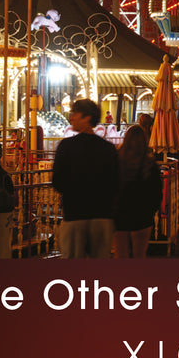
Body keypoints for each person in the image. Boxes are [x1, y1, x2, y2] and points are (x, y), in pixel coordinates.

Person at [52, 98, 119, 258]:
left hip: (75, 214)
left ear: (87, 117)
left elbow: (58, 182)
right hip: (102, 217)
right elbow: (116, 183)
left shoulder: (66, 146)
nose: (71, 118)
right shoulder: (108, 149)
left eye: (75, 114)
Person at [113, 125, 163, 258]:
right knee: (139, 255)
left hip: (119, 215)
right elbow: (157, 193)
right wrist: (151, 211)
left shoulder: (117, 162)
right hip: (142, 216)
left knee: (121, 255)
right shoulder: (150, 165)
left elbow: (110, 188)